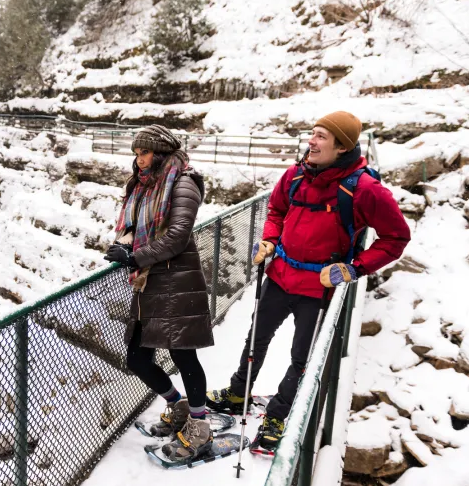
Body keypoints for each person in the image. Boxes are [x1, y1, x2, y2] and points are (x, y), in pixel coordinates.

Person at [207, 111, 411, 454]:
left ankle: (278, 414)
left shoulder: (364, 189)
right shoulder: (295, 175)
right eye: (312, 134)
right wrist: (270, 240)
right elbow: (276, 211)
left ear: (342, 146)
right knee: (256, 338)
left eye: (320, 137)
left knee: (302, 357)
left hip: (318, 288)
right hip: (281, 274)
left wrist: (354, 268)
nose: (310, 142)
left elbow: (396, 237)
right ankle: (237, 392)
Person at [104, 124, 215, 463]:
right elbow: (134, 227)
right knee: (137, 358)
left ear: (161, 153)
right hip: (149, 281)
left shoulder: (183, 182)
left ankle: (200, 427)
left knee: (183, 356)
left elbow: (179, 235)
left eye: (145, 152)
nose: (139, 160)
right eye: (136, 153)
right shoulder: (143, 185)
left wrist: (135, 256)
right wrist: (122, 245)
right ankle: (177, 404)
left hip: (176, 280)